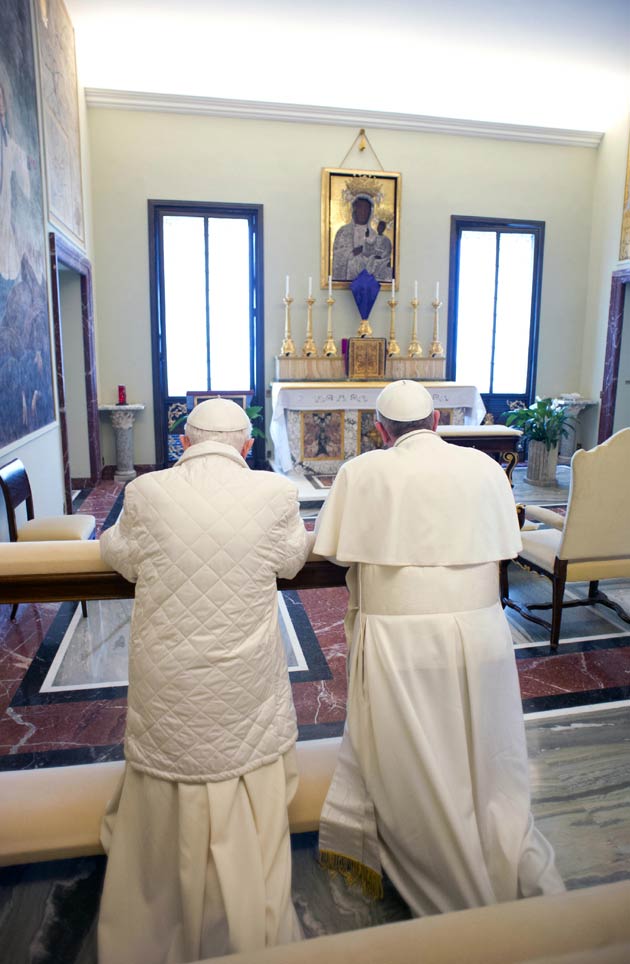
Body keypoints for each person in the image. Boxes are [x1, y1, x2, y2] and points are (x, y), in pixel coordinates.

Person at [314, 380, 565, 916]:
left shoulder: (362, 472)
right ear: (435, 422)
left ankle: (455, 894)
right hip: (481, 632)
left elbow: (331, 550)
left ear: (381, 431)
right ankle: (498, 852)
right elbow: (508, 542)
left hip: (400, 640)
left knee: (415, 763)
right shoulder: (481, 468)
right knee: (482, 749)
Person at [97, 397, 313, 964]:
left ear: (183, 444)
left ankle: (154, 910)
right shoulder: (274, 493)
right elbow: (294, 559)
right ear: (247, 446)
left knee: (169, 762)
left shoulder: (146, 492)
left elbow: (116, 552)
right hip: (242, 685)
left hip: (168, 681)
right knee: (243, 759)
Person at [332, 194, 377, 281]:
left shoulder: (373, 234)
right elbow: (338, 257)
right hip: (346, 281)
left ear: (370, 212)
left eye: (366, 209)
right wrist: (353, 252)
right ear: (355, 210)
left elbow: (379, 258)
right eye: (360, 208)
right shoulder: (343, 232)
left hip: (367, 284)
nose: (363, 212)